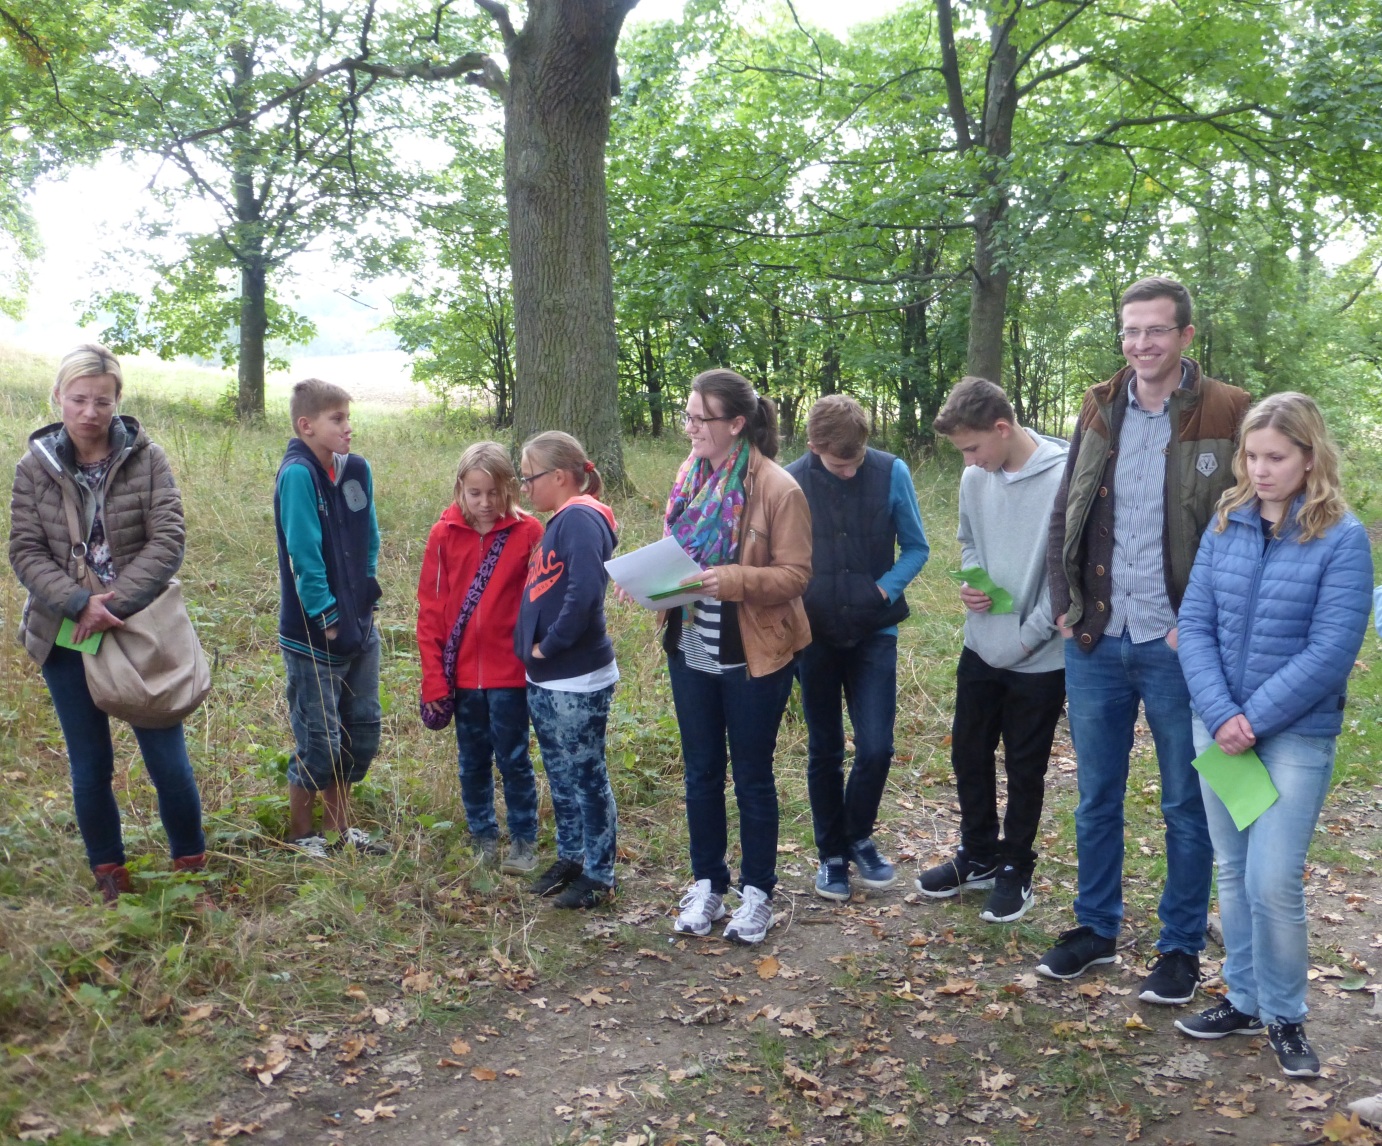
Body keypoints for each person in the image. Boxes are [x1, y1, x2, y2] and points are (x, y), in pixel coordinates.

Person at [1041, 276, 1250, 1003]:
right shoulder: (1100, 406)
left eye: (1156, 331)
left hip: (1178, 647)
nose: (1141, 345)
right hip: (1097, 638)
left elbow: (1250, 532)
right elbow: (1067, 504)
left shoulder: (1231, 414)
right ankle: (1095, 929)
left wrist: (1206, 628)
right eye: (1131, 332)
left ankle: (1180, 947)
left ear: (1187, 337)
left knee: (1185, 804)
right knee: (1095, 794)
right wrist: (1063, 603)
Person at [1172, 393, 1372, 1078]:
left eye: (1276, 458)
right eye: (1252, 456)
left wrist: (1251, 719)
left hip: (1291, 735)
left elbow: (1332, 647)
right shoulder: (1226, 522)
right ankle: (1246, 997)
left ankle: (1286, 1014)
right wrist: (1220, 712)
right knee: (1232, 868)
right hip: (1218, 722)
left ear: (1309, 457)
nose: (1260, 470)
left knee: (1272, 878)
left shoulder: (1341, 537)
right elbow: (1193, 623)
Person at [8, 344, 212, 904]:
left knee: (166, 756)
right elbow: (25, 550)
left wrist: (113, 606)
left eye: (102, 400)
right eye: (78, 399)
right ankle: (110, 878)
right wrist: (78, 602)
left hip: (137, 627)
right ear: (58, 399)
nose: (90, 412)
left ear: (118, 401)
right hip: (65, 633)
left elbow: (168, 540)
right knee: (90, 763)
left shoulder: (148, 458)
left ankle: (192, 872)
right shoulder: (33, 467)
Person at [663, 369, 812, 946]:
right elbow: (679, 555)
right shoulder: (688, 474)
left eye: (702, 418)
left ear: (736, 424)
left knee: (751, 775)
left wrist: (731, 579)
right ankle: (707, 884)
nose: (691, 427)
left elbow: (796, 576)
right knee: (701, 771)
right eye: (689, 415)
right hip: (692, 644)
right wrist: (651, 584)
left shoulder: (778, 488)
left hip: (756, 651)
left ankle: (757, 892)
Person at [917, 377, 1067, 923]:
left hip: (1041, 654)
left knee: (1026, 765)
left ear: (1002, 429)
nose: (970, 461)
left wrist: (1030, 635)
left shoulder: (1063, 475)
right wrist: (971, 581)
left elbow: (1067, 568)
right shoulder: (974, 478)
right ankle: (978, 854)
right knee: (969, 752)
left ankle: (1015, 867)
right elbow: (968, 540)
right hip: (981, 645)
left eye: (973, 447)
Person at [783, 395, 928, 901]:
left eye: (856, 461)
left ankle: (858, 835)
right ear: (813, 446)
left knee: (875, 747)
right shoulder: (790, 480)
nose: (849, 471)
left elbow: (917, 546)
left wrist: (883, 588)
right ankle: (832, 856)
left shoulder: (892, 472)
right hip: (813, 635)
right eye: (837, 463)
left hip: (874, 632)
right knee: (824, 750)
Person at [417, 442, 545, 873]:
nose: (485, 503)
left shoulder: (529, 533)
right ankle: (483, 836)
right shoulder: (443, 534)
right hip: (461, 676)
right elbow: (431, 612)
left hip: (510, 673)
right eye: (475, 493)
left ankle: (524, 839)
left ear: (510, 488)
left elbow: (541, 601)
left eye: (494, 492)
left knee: (513, 757)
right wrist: (434, 679)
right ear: (460, 489)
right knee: (471, 759)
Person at [274, 378, 387, 857]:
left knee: (359, 730)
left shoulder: (356, 470)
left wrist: (365, 597)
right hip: (313, 634)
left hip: (360, 626)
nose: (347, 428)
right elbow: (303, 552)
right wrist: (326, 615)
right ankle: (303, 834)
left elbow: (371, 536)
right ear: (306, 425)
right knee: (318, 739)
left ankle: (342, 830)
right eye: (336, 419)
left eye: (347, 417)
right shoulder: (297, 474)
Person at [515, 431, 620, 909]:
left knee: (586, 774)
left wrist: (549, 645)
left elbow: (584, 595)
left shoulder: (580, 519)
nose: (524, 488)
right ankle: (571, 855)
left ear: (558, 477)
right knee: (559, 772)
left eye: (529, 477)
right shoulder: (561, 519)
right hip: (547, 676)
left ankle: (600, 873)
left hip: (576, 677)